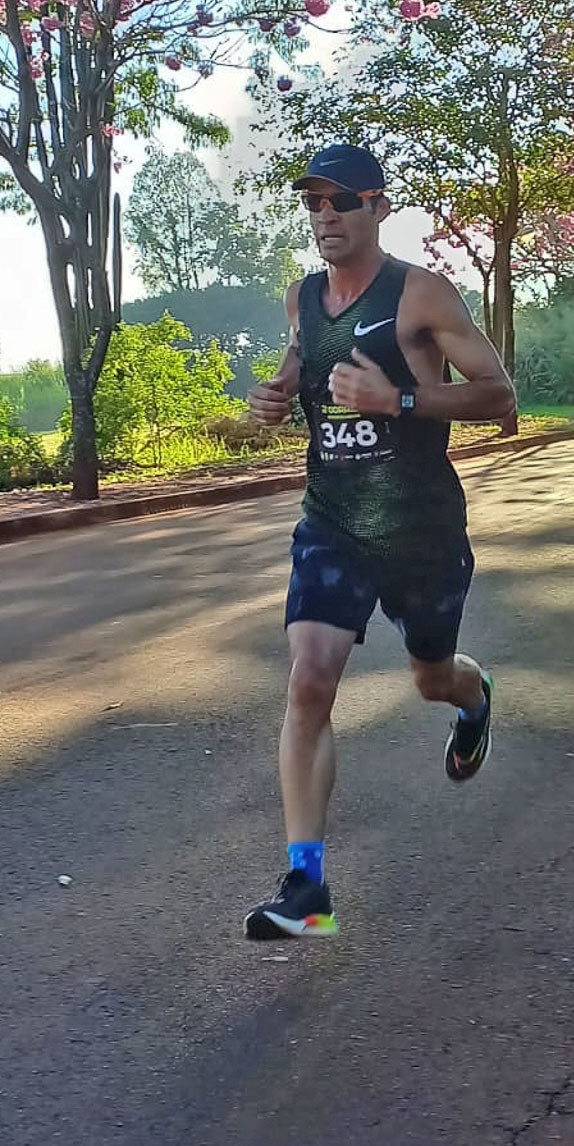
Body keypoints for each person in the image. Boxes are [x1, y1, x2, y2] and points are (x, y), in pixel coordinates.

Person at [243, 144, 517, 940]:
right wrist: (275, 397)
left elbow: (499, 396)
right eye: (313, 202)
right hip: (333, 521)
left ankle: (474, 698)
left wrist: (396, 398)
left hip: (421, 527)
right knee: (309, 681)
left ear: (379, 207)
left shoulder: (422, 293)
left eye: (342, 201)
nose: (325, 216)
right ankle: (307, 888)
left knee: (432, 677)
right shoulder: (302, 298)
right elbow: (300, 364)